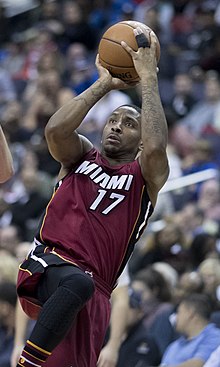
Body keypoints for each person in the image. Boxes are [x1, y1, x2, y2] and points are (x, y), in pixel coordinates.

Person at [16, 26, 169, 367]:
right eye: (113, 120)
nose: (116, 125)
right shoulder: (81, 156)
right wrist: (104, 84)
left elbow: (158, 146)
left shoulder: (145, 176)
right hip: (50, 263)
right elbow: (55, 131)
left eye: (129, 124)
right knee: (77, 283)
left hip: (95, 292)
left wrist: (148, 78)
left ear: (141, 141)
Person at [160, 293, 220, 367]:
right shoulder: (173, 346)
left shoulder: (214, 337)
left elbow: (198, 364)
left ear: (190, 314)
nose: (175, 317)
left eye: (179, 312)